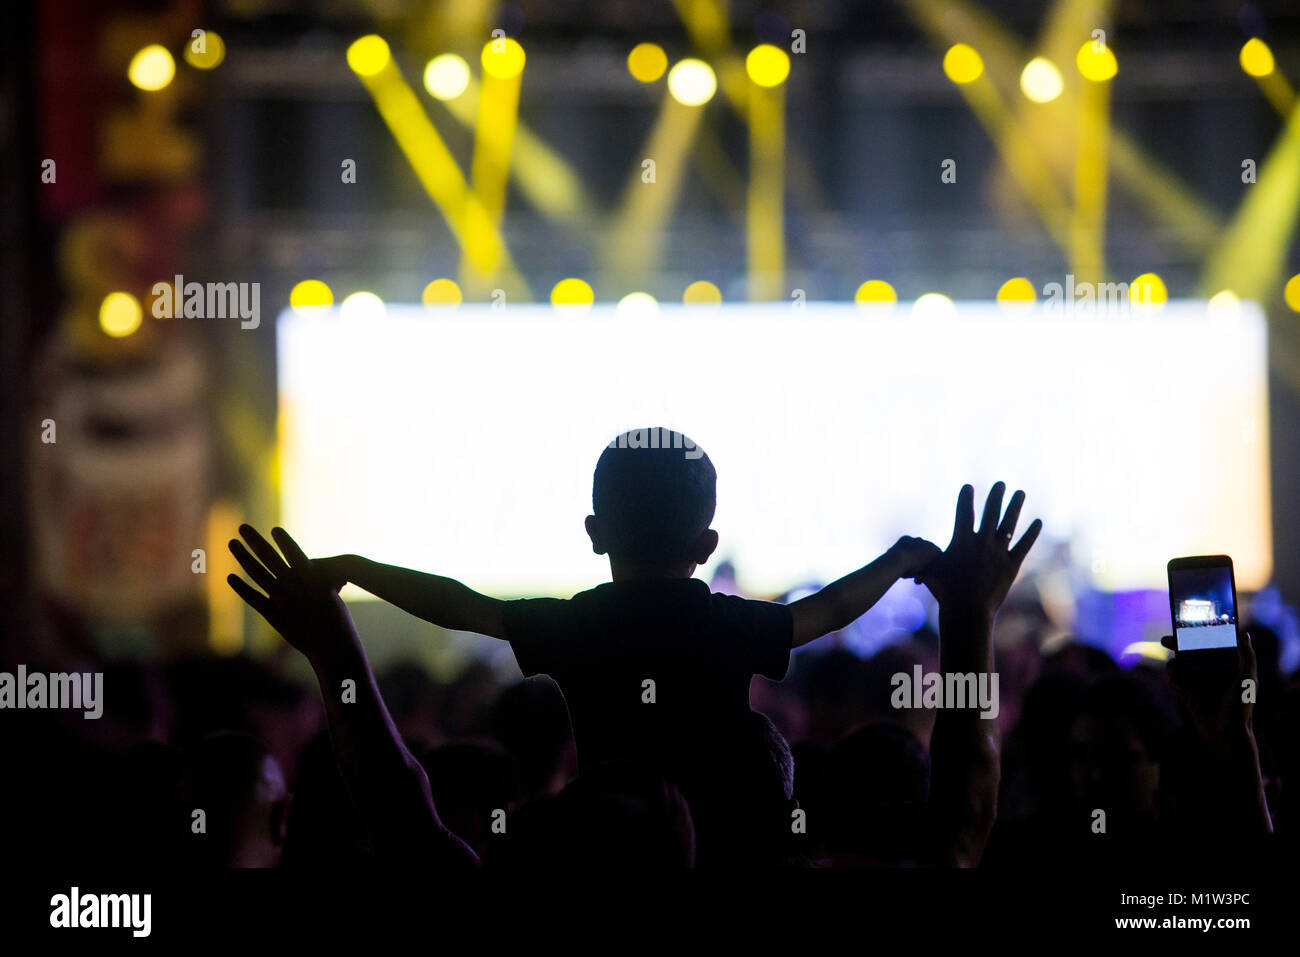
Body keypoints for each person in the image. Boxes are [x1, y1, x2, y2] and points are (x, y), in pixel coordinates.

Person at [299, 428, 939, 862]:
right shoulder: (728, 627)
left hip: (605, 848)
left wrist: (360, 569)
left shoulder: (578, 627)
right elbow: (823, 611)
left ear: (595, 533)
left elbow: (464, 607)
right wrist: (896, 561)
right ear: (705, 547)